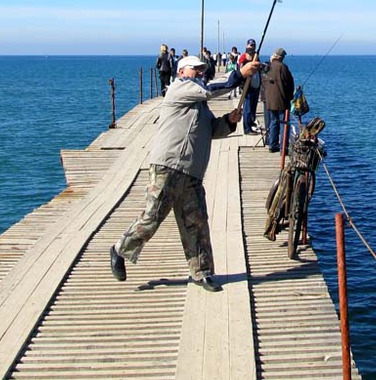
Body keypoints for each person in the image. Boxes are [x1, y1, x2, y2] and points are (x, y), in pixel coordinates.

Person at [110, 54, 262, 291]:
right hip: (168, 167)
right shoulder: (179, 89)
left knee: (197, 223)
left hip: (192, 172)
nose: (200, 72)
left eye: (202, 69)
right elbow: (211, 89)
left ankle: (202, 273)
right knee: (152, 218)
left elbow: (212, 129)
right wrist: (240, 74)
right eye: (195, 69)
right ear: (181, 72)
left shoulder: (200, 104)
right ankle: (120, 249)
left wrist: (229, 121)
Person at [263, 48, 295, 153]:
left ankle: (273, 145)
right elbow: (290, 84)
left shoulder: (267, 67)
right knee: (284, 124)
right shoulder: (283, 67)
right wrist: (290, 97)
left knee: (273, 122)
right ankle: (283, 148)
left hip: (270, 101)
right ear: (281, 57)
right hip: (282, 101)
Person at [238, 40, 261, 134]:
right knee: (247, 107)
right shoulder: (243, 57)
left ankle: (251, 122)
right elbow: (242, 68)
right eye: (250, 45)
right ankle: (247, 128)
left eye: (253, 45)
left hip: (256, 84)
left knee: (253, 106)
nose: (252, 47)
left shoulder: (256, 57)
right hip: (247, 85)